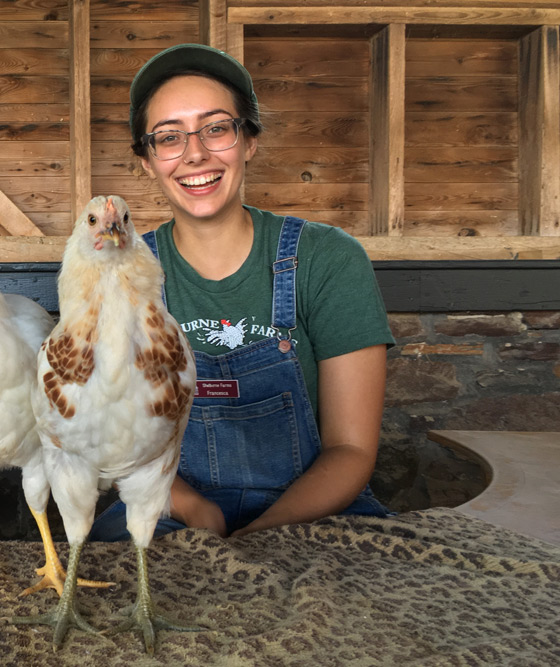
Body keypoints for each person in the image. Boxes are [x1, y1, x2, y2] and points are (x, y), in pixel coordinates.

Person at [90, 43, 394, 541]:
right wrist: (193, 510)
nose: (195, 154)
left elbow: (352, 450)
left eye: (215, 128)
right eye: (168, 137)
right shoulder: (118, 272)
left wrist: (265, 534)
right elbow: (110, 441)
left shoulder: (327, 259)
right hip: (164, 503)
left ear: (248, 140)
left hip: (316, 511)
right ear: (147, 161)